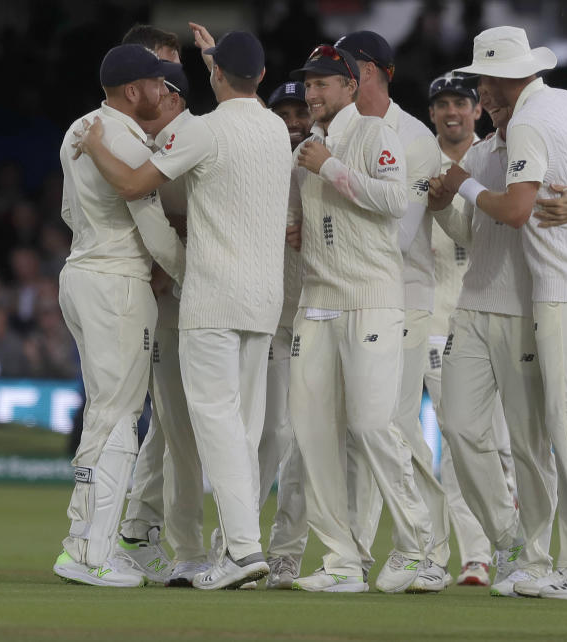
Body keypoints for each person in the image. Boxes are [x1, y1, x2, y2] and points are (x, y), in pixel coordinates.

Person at [73, 29, 292, 590]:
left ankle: (239, 552)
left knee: (211, 424)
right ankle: (239, 548)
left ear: (216, 77)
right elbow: (242, 86)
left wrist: (96, 143)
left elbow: (132, 183)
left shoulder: (202, 130)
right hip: (265, 300)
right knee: (244, 428)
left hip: (212, 297)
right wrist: (219, 56)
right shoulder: (273, 126)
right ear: (262, 77)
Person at [440, 26, 567, 600]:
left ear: (503, 81)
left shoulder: (527, 121)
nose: (480, 91)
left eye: (483, 81)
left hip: (565, 284)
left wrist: (462, 183)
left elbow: (518, 209)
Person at [285, 44, 439, 593]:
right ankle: (343, 561)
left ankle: (421, 546)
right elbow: (303, 222)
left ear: (351, 86)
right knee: (311, 433)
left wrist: (331, 168)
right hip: (316, 303)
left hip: (372, 299)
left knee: (374, 426)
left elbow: (394, 202)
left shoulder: (376, 135)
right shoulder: (307, 148)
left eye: (324, 83)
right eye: (308, 85)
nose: (313, 94)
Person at [52, 43, 186, 588]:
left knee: (105, 412)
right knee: (117, 417)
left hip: (80, 272)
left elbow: (66, 208)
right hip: (118, 284)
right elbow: (153, 228)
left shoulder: (79, 128)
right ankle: (88, 551)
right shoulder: (129, 141)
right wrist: (190, 270)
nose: (162, 90)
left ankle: (86, 540)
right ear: (135, 90)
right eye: (156, 82)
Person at [333, 30, 451, 589]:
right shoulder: (340, 128)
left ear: (374, 72)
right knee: (362, 430)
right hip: (348, 295)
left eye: (347, 68)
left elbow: (400, 232)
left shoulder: (416, 140)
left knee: (397, 425)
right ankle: (355, 554)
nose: (337, 78)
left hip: (403, 295)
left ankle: (428, 551)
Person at [104, 28, 206, 589]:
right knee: (146, 420)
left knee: (169, 427)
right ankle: (116, 538)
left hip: (177, 291)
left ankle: (134, 532)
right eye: (158, 74)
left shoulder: (178, 134)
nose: (166, 86)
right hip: (137, 290)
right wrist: (167, 255)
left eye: (174, 75)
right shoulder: (114, 135)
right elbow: (123, 207)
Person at [427, 71, 516, 588]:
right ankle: (469, 555)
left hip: (487, 314)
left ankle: (505, 548)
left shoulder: (494, 158)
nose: (452, 111)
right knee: (456, 441)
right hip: (430, 318)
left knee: (494, 445)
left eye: (461, 101)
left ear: (476, 108)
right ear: (433, 112)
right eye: (442, 104)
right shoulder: (420, 162)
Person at [258, 80, 311, 590]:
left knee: (301, 442)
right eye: (284, 112)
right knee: (266, 433)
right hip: (267, 317)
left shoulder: (326, 156)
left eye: (301, 110)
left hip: (315, 317)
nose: (293, 121)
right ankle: (239, 544)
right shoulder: (260, 159)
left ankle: (287, 552)